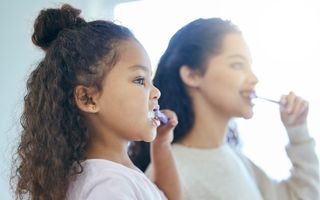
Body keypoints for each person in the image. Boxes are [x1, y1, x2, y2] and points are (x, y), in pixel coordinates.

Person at [130, 18, 319, 199]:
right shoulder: (169, 174)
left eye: (250, 66)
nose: (254, 78)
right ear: (192, 75)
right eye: (238, 65)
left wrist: (298, 131)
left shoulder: (235, 159)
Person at [11, 4, 182, 200]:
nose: (156, 92)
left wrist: (161, 146)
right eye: (139, 80)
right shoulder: (109, 185)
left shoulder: (110, 175)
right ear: (88, 98)